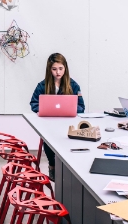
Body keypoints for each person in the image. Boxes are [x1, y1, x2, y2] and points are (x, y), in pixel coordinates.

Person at [29, 53, 85, 181]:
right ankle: (52, 166)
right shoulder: (42, 85)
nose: (58, 72)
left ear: (65, 68)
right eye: (54, 69)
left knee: (67, 142)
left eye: (61, 68)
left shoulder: (74, 85)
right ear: (49, 69)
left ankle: (67, 168)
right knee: (48, 139)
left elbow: (82, 107)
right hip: (49, 124)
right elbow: (33, 103)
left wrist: (70, 108)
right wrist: (42, 108)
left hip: (67, 125)